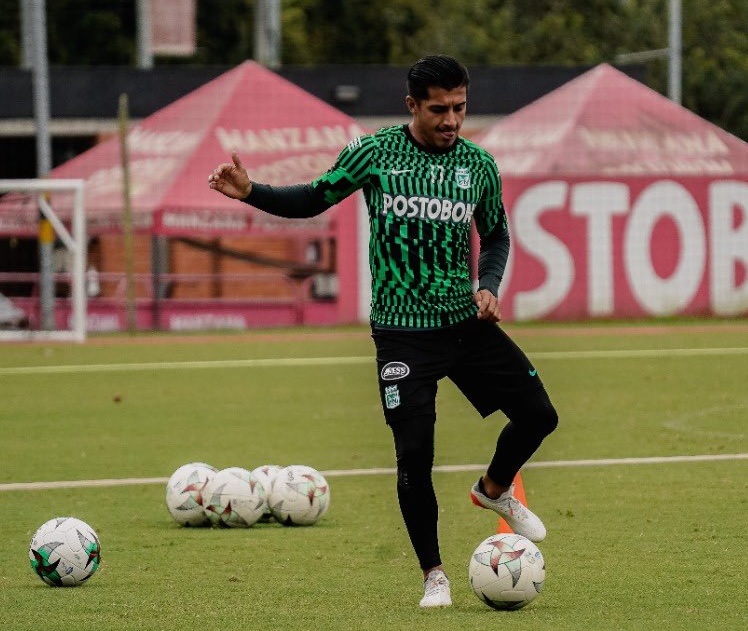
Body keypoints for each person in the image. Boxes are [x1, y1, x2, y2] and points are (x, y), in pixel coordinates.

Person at [208, 55, 558, 606]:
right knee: (414, 454)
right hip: (403, 334)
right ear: (411, 106)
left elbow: (496, 238)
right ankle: (435, 576)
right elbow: (314, 197)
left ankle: (493, 490)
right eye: (439, 109)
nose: (451, 120)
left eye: (460, 108)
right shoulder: (376, 153)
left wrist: (488, 285)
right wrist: (253, 191)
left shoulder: (479, 166)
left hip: (465, 323)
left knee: (541, 415)